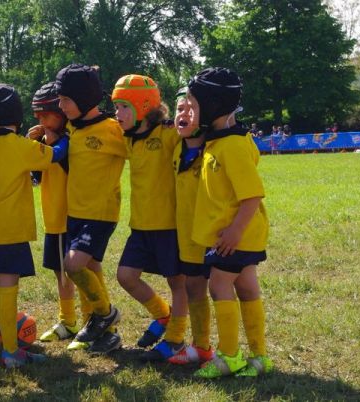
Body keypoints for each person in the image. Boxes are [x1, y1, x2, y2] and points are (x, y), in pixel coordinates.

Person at [0, 83, 69, 368]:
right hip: (7, 231)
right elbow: (55, 154)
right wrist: (65, 138)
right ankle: (11, 351)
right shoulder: (21, 146)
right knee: (7, 288)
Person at [186, 67, 272, 378]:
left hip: (234, 236)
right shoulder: (220, 140)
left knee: (219, 285)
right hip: (240, 235)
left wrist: (234, 231)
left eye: (194, 105)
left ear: (211, 106)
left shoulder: (233, 146)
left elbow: (251, 196)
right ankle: (259, 356)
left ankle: (229, 356)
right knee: (247, 288)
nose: (191, 111)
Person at [110, 74, 188, 362]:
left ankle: (177, 338)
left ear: (143, 106)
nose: (118, 114)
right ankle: (163, 314)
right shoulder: (130, 139)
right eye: (116, 107)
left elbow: (189, 134)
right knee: (126, 276)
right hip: (140, 227)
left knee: (177, 284)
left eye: (123, 107)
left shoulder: (166, 133)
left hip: (169, 227)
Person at [54, 64, 127, 353]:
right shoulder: (73, 127)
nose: (61, 107)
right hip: (76, 213)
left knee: (73, 266)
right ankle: (108, 335)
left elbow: (138, 149)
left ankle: (105, 313)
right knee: (92, 269)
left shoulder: (111, 129)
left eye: (66, 101)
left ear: (84, 100)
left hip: (100, 213)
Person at [27, 82, 86, 343]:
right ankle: (68, 320)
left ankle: (88, 320)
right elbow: (35, 175)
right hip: (52, 219)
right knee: (59, 273)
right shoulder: (46, 139)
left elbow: (68, 163)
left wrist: (53, 144)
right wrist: (34, 144)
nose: (40, 120)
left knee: (74, 272)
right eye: (37, 115)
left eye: (45, 114)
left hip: (68, 218)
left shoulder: (70, 140)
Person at [171, 87, 215, 365]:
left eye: (190, 109)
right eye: (179, 109)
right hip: (187, 235)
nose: (183, 114)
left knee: (225, 290)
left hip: (217, 235)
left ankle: (239, 350)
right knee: (194, 288)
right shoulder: (175, 148)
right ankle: (201, 346)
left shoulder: (216, 148)